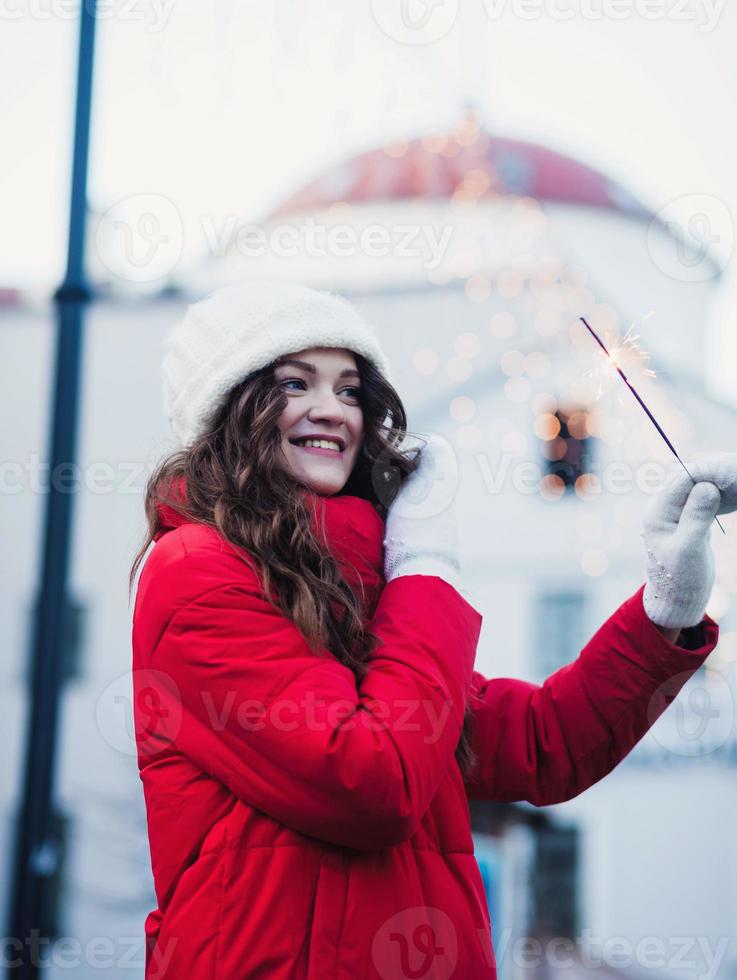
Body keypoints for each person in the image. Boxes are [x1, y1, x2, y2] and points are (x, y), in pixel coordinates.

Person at [129, 279, 734, 979]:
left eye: (351, 390)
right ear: (229, 410)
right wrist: (423, 566)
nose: (332, 409)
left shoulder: (360, 595)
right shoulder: (196, 572)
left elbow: (540, 744)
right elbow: (372, 782)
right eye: (295, 384)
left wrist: (666, 606)